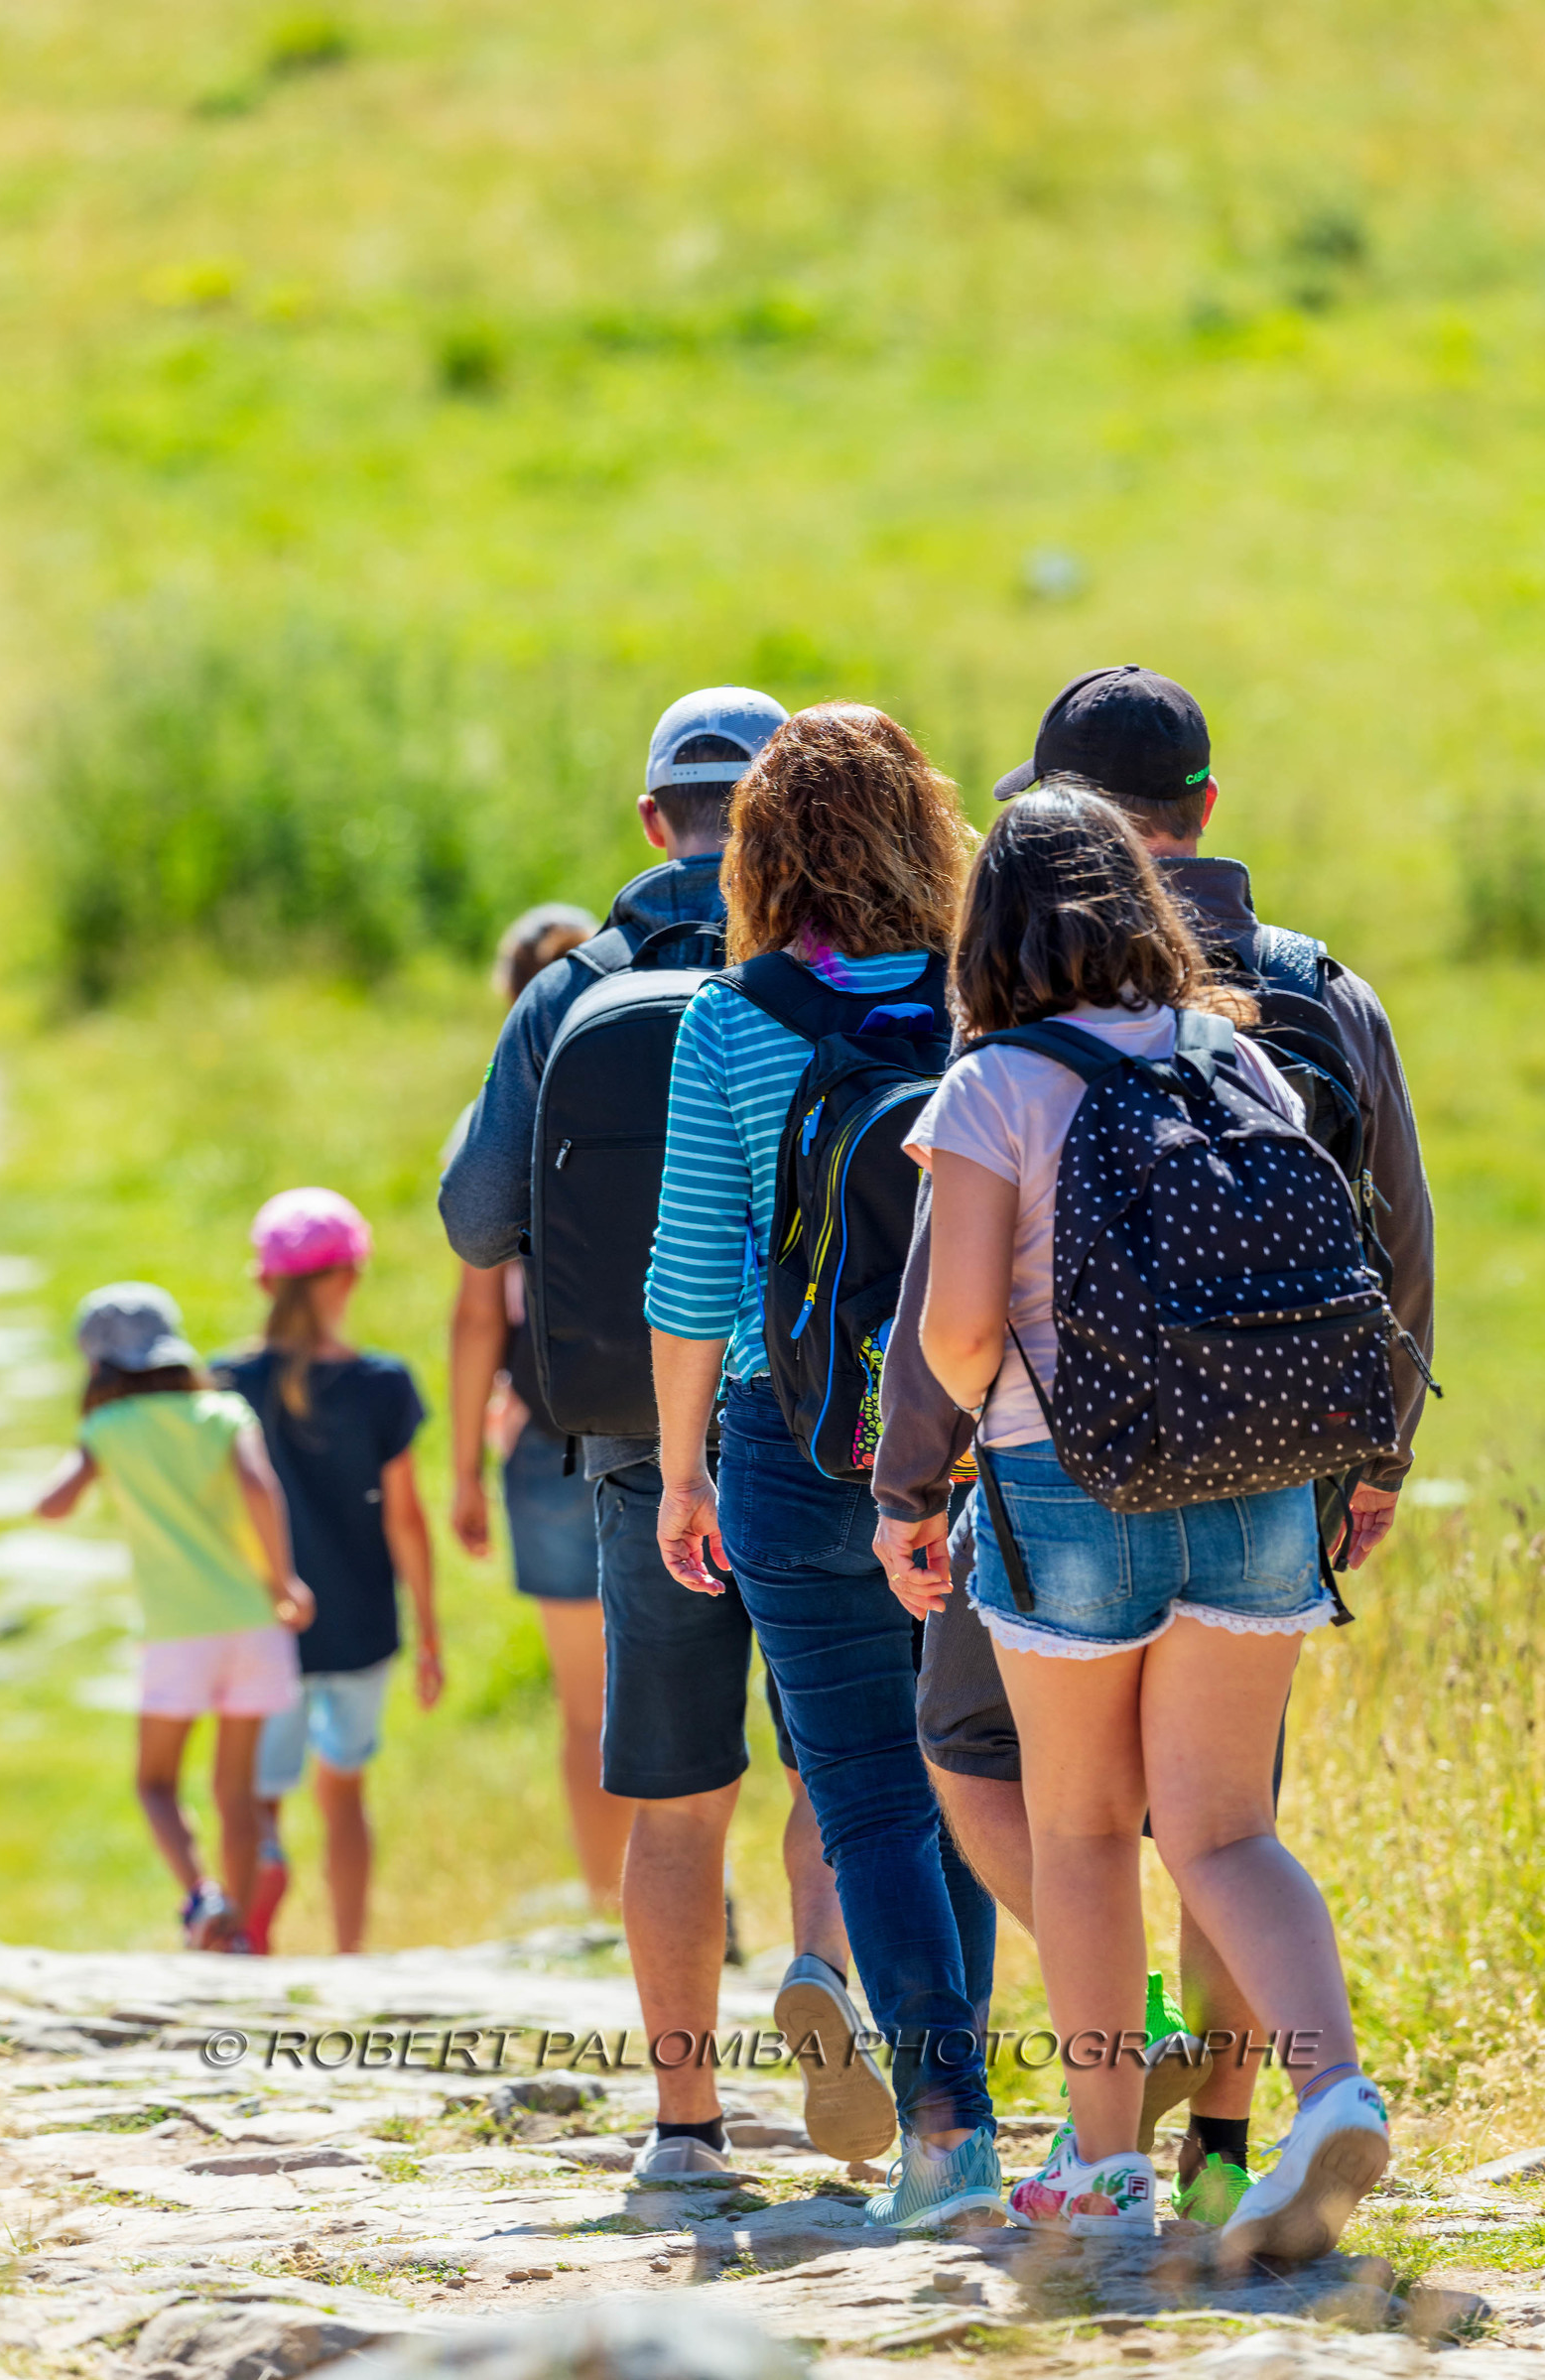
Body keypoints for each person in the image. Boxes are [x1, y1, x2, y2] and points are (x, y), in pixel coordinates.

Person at [873, 666, 1435, 2224]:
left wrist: (931, 1472)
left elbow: (963, 1329)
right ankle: (1332, 2091)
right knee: (1226, 1823)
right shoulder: (1237, 1048)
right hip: (1259, 1471)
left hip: (1070, 1484)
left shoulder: (995, 1079)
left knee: (1078, 1829)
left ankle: (1108, 2157)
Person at [441, 689, 880, 2178]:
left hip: (646, 1446)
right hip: (836, 1429)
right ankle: (824, 1966)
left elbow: (472, 1213)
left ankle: (685, 2128)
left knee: (677, 1797)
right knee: (841, 1752)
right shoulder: (855, 973)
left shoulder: (580, 982)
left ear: (651, 823)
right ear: (774, 813)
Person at [648, 701, 1007, 2231]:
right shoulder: (983, 1005)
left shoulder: (730, 1017)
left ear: (757, 849)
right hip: (985, 1447)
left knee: (864, 1786)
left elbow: (688, 1276)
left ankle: (945, 2130)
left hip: (794, 1450)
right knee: (978, 1768)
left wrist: (679, 1474)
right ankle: (981, 2099)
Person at [449, 901, 636, 1915]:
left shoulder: (495, 1121)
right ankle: (694, 1890)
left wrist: (463, 1470)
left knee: (584, 1706)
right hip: (674, 1415)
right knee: (694, 1681)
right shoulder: (654, 1063)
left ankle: (610, 1905)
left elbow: (478, 1314)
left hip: (549, 1428)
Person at [35, 1283, 314, 1949]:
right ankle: (238, 1931)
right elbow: (257, 1487)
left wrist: (86, 1459)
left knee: (156, 1780)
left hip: (177, 1633)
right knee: (237, 1789)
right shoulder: (222, 1411)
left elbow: (53, 1502)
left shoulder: (106, 1429)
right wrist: (285, 1582)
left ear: (99, 1362)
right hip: (253, 1619)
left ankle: (201, 1896)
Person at [212, 1189, 440, 1955]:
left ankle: (256, 1898)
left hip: (260, 1621)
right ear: (350, 1276)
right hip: (359, 1623)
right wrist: (430, 1634)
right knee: (343, 1792)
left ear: (264, 1283)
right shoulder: (382, 1384)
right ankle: (349, 1951)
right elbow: (404, 1519)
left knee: (257, 1793)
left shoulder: (224, 1383)